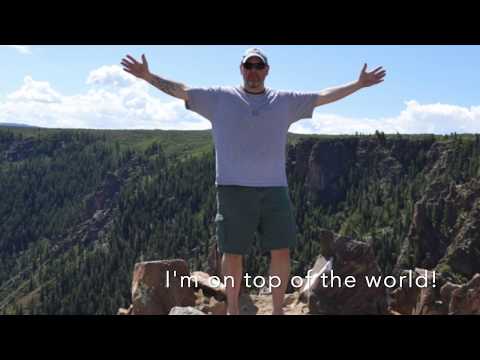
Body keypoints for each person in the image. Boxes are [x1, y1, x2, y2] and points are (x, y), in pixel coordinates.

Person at [121, 47, 386, 315]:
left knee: (281, 251)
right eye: (249, 66)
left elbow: (323, 97)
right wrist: (148, 76)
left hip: (274, 189)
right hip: (233, 188)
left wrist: (359, 84)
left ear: (267, 70)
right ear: (241, 69)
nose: (254, 71)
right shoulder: (220, 98)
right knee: (233, 253)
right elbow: (182, 91)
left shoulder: (283, 101)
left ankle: (277, 310)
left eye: (259, 66)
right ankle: (233, 308)